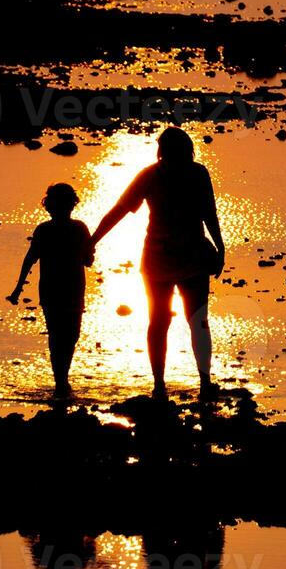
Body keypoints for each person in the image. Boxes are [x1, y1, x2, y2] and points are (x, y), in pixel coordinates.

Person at [90, 127, 224, 400]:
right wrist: (220, 247)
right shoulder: (196, 173)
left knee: (160, 322)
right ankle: (203, 382)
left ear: (161, 150)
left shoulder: (152, 175)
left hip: (164, 259)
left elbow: (119, 210)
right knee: (197, 321)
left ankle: (160, 385)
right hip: (186, 258)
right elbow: (209, 213)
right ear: (188, 149)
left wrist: (92, 240)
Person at [9, 182, 93, 398]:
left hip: (65, 290)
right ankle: (61, 382)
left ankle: (61, 380)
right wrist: (18, 288)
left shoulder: (77, 228)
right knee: (63, 335)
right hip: (59, 290)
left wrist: (18, 289)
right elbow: (30, 259)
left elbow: (87, 260)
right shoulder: (48, 230)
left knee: (66, 336)